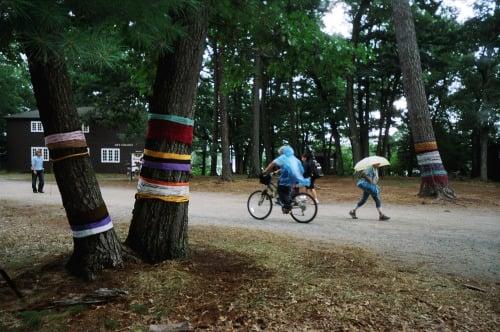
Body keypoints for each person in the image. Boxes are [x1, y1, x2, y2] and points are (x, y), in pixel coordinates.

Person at [263, 145, 310, 214]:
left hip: (289, 178)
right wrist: (277, 171)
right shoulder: (292, 157)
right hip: (297, 176)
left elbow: (272, 163)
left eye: (280, 153)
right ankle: (289, 202)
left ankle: (287, 206)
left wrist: (265, 171)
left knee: (281, 189)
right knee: (286, 190)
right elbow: (287, 166)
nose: (280, 155)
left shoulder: (283, 157)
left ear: (283, 152)